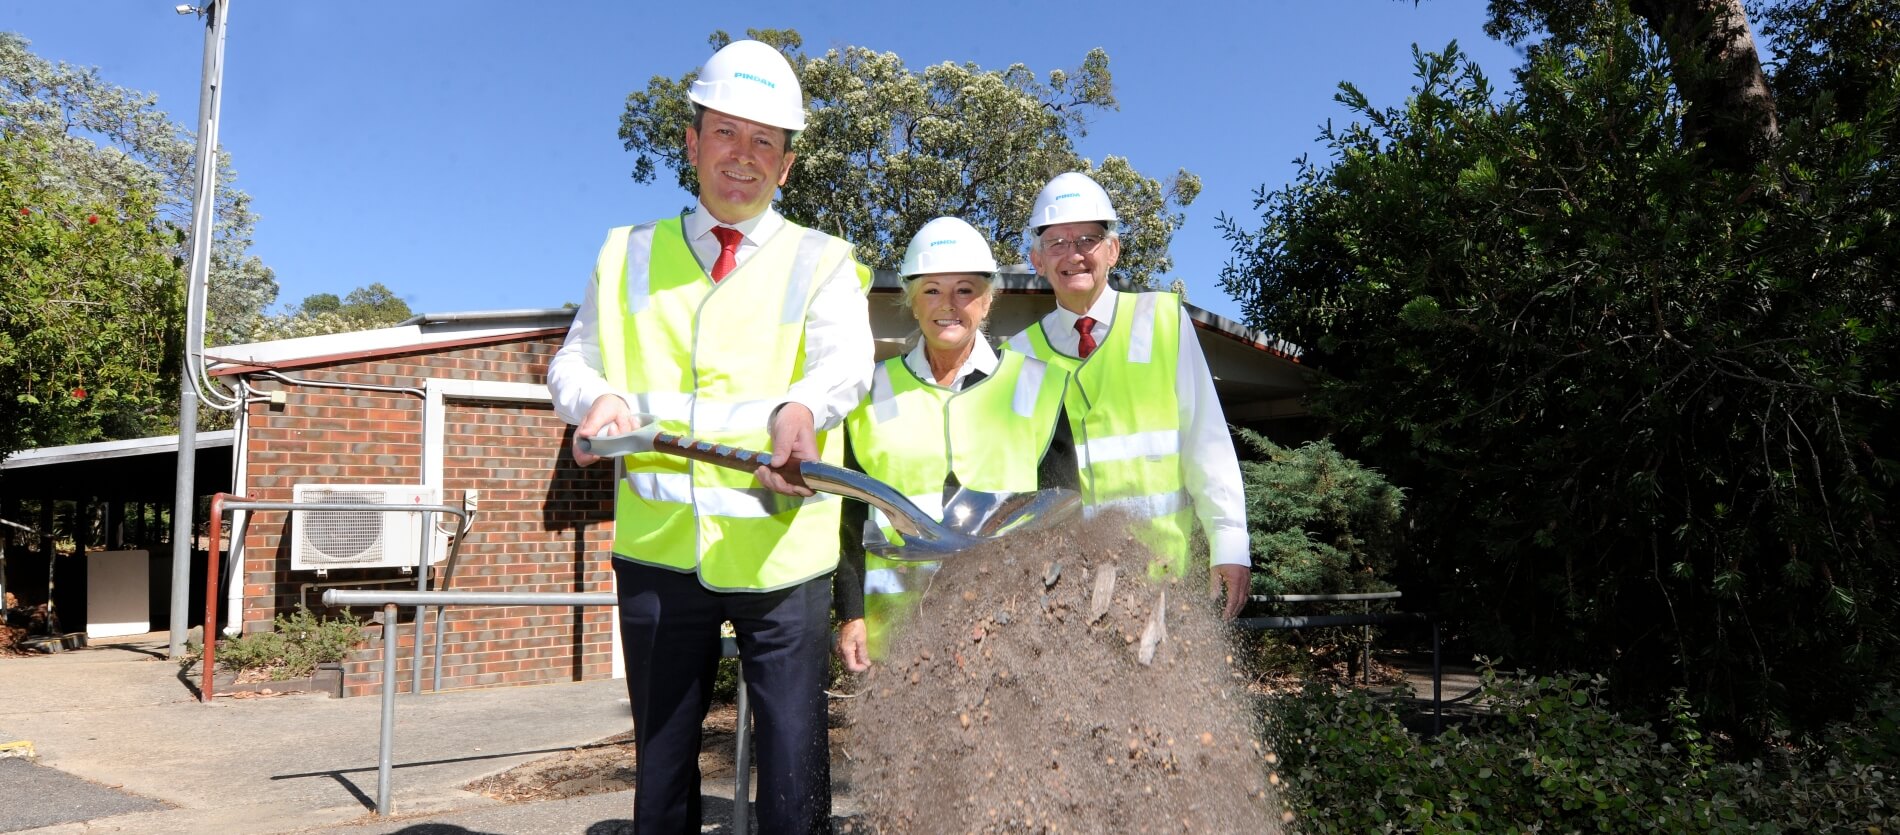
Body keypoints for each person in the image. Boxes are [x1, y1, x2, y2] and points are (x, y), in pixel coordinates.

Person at [545, 39, 872, 835]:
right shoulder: (625, 255)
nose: (744, 156)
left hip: (781, 552)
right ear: (691, 143)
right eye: (727, 132)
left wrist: (802, 409)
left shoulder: (824, 260)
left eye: (766, 141)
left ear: (787, 165)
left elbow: (846, 363)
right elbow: (573, 361)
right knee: (659, 773)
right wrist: (595, 398)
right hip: (659, 551)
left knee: (795, 773)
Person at [1003, 172, 1252, 618]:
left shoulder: (1164, 322)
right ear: (1036, 259)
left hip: (1164, 582)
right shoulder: (1015, 357)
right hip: (1061, 595)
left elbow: (1206, 442)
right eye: (1056, 242)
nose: (1074, 254)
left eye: (1088, 239)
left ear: (1112, 250)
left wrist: (1230, 539)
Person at [832, 217, 1076, 670]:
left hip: (1013, 632)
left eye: (965, 289)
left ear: (987, 300)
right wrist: (851, 614)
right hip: (898, 637)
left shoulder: (1039, 386)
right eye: (931, 290)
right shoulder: (868, 393)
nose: (948, 305)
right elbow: (850, 521)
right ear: (912, 301)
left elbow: (1063, 514)